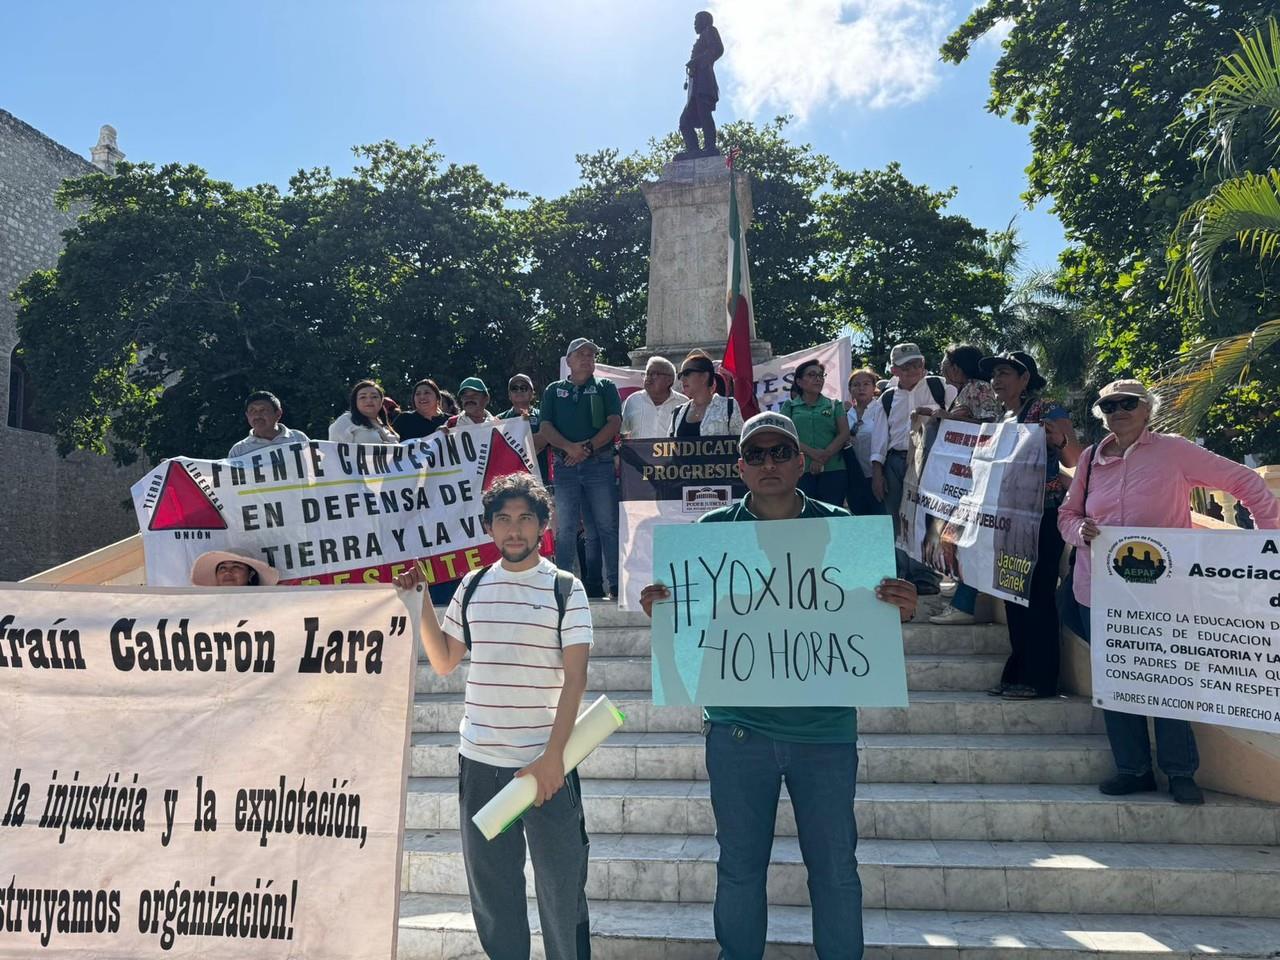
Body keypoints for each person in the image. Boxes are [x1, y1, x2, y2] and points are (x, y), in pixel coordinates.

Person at [639, 412, 917, 960]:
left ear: (800, 461)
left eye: (780, 453)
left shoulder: (845, 528)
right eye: (757, 455)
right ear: (741, 466)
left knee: (835, 869)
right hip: (738, 731)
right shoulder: (710, 536)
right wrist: (665, 610)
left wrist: (897, 610)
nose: (769, 463)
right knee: (739, 868)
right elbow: (691, 628)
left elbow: (868, 622)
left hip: (826, 732)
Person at [396, 473, 593, 960]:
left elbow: (576, 680)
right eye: (503, 519)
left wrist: (553, 760)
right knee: (494, 897)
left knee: (561, 895)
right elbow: (444, 661)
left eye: (526, 518)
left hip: (546, 767)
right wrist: (421, 600)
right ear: (488, 527)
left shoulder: (565, 588)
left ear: (545, 525)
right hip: (481, 763)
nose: (514, 530)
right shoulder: (473, 584)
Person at [1058, 379, 1280, 804]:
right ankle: (1133, 769)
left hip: (1165, 591)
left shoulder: (1174, 451)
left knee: (1170, 681)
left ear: (1147, 410)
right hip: (1099, 590)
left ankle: (1180, 772)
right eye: (1109, 405)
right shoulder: (1089, 459)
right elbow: (1067, 515)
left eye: (1128, 403)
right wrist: (1079, 532)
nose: (1118, 410)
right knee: (1116, 683)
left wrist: (1268, 545)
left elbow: (1247, 484)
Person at [980, 351, 1080, 700]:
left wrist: (1060, 442)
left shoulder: (1047, 409)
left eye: (1005, 372)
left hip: (1043, 514)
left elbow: (1075, 460)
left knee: (1037, 595)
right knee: (1012, 595)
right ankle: (1018, 672)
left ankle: (1041, 679)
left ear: (1025, 378)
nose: (997, 379)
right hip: (1008, 516)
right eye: (994, 374)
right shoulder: (1002, 416)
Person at [870, 343, 957, 594]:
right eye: (906, 366)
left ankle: (925, 576)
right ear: (895, 370)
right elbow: (880, 439)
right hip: (896, 461)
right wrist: (877, 473)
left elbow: (957, 419)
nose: (913, 369)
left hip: (931, 461)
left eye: (917, 364)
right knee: (896, 519)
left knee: (926, 519)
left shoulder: (941, 388)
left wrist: (937, 414)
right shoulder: (886, 398)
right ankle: (901, 574)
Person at [541, 337, 623, 597]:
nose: (587, 358)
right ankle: (564, 589)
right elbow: (545, 428)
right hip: (565, 466)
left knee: (606, 526)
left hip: (599, 463)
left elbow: (613, 423)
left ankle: (615, 585)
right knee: (565, 528)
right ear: (569, 361)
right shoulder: (553, 390)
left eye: (591, 355)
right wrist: (569, 448)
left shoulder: (605, 387)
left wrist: (584, 448)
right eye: (580, 354)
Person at [929, 345, 1001, 625]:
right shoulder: (966, 389)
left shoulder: (978, 388)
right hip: (964, 477)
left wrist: (945, 418)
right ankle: (961, 591)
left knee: (965, 537)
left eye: (946, 363)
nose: (943, 368)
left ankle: (964, 605)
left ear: (957, 367)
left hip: (977, 479)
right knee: (954, 535)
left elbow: (988, 427)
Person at [781, 359, 849, 506]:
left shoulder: (834, 405)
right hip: (800, 471)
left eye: (820, 375)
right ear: (799, 382)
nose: (818, 379)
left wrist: (823, 457)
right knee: (805, 517)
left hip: (833, 469)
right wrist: (813, 454)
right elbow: (785, 436)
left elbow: (844, 433)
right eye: (812, 375)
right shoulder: (790, 406)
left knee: (832, 515)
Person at [676, 11, 724, 160]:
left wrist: (696, 61)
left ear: (705, 21)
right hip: (695, 85)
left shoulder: (710, 31)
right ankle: (694, 150)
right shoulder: (701, 37)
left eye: (697, 20)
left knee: (704, 113)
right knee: (685, 121)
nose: (694, 24)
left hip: (704, 82)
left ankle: (710, 147)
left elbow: (717, 50)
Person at [670, 352, 743, 437]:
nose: (682, 379)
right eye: (680, 375)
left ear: (704, 376)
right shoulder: (678, 412)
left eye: (687, 373)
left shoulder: (729, 406)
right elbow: (668, 446)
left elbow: (741, 443)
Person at [843, 368, 883, 516]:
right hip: (853, 478)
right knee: (861, 521)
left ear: (874, 387)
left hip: (878, 476)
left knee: (881, 519)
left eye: (866, 384)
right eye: (856, 384)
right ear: (850, 389)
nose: (861, 388)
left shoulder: (882, 409)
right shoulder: (846, 414)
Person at [227, 391, 310, 460]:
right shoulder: (239, 451)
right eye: (252, 411)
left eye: (263, 410)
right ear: (247, 415)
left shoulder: (298, 439)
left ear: (278, 414)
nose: (257, 415)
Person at [620, 356, 687, 438]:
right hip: (638, 451)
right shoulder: (633, 400)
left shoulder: (683, 403)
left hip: (672, 451)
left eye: (654, 374)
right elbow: (622, 432)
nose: (648, 378)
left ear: (669, 380)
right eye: (647, 374)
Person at [499, 373, 550, 478]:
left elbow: (543, 441)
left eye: (524, 388)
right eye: (514, 388)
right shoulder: (499, 420)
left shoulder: (543, 416)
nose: (519, 391)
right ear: (509, 395)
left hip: (539, 477)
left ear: (532, 394)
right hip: (509, 478)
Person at [328, 379, 400, 444]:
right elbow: (335, 453)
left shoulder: (385, 425)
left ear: (381, 401)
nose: (369, 400)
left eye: (374, 397)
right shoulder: (346, 420)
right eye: (363, 397)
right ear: (355, 402)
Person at [189, 550, 280, 587]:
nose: (227, 572)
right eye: (222, 568)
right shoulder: (204, 605)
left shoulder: (265, 603)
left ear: (251, 574)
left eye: (236, 567)